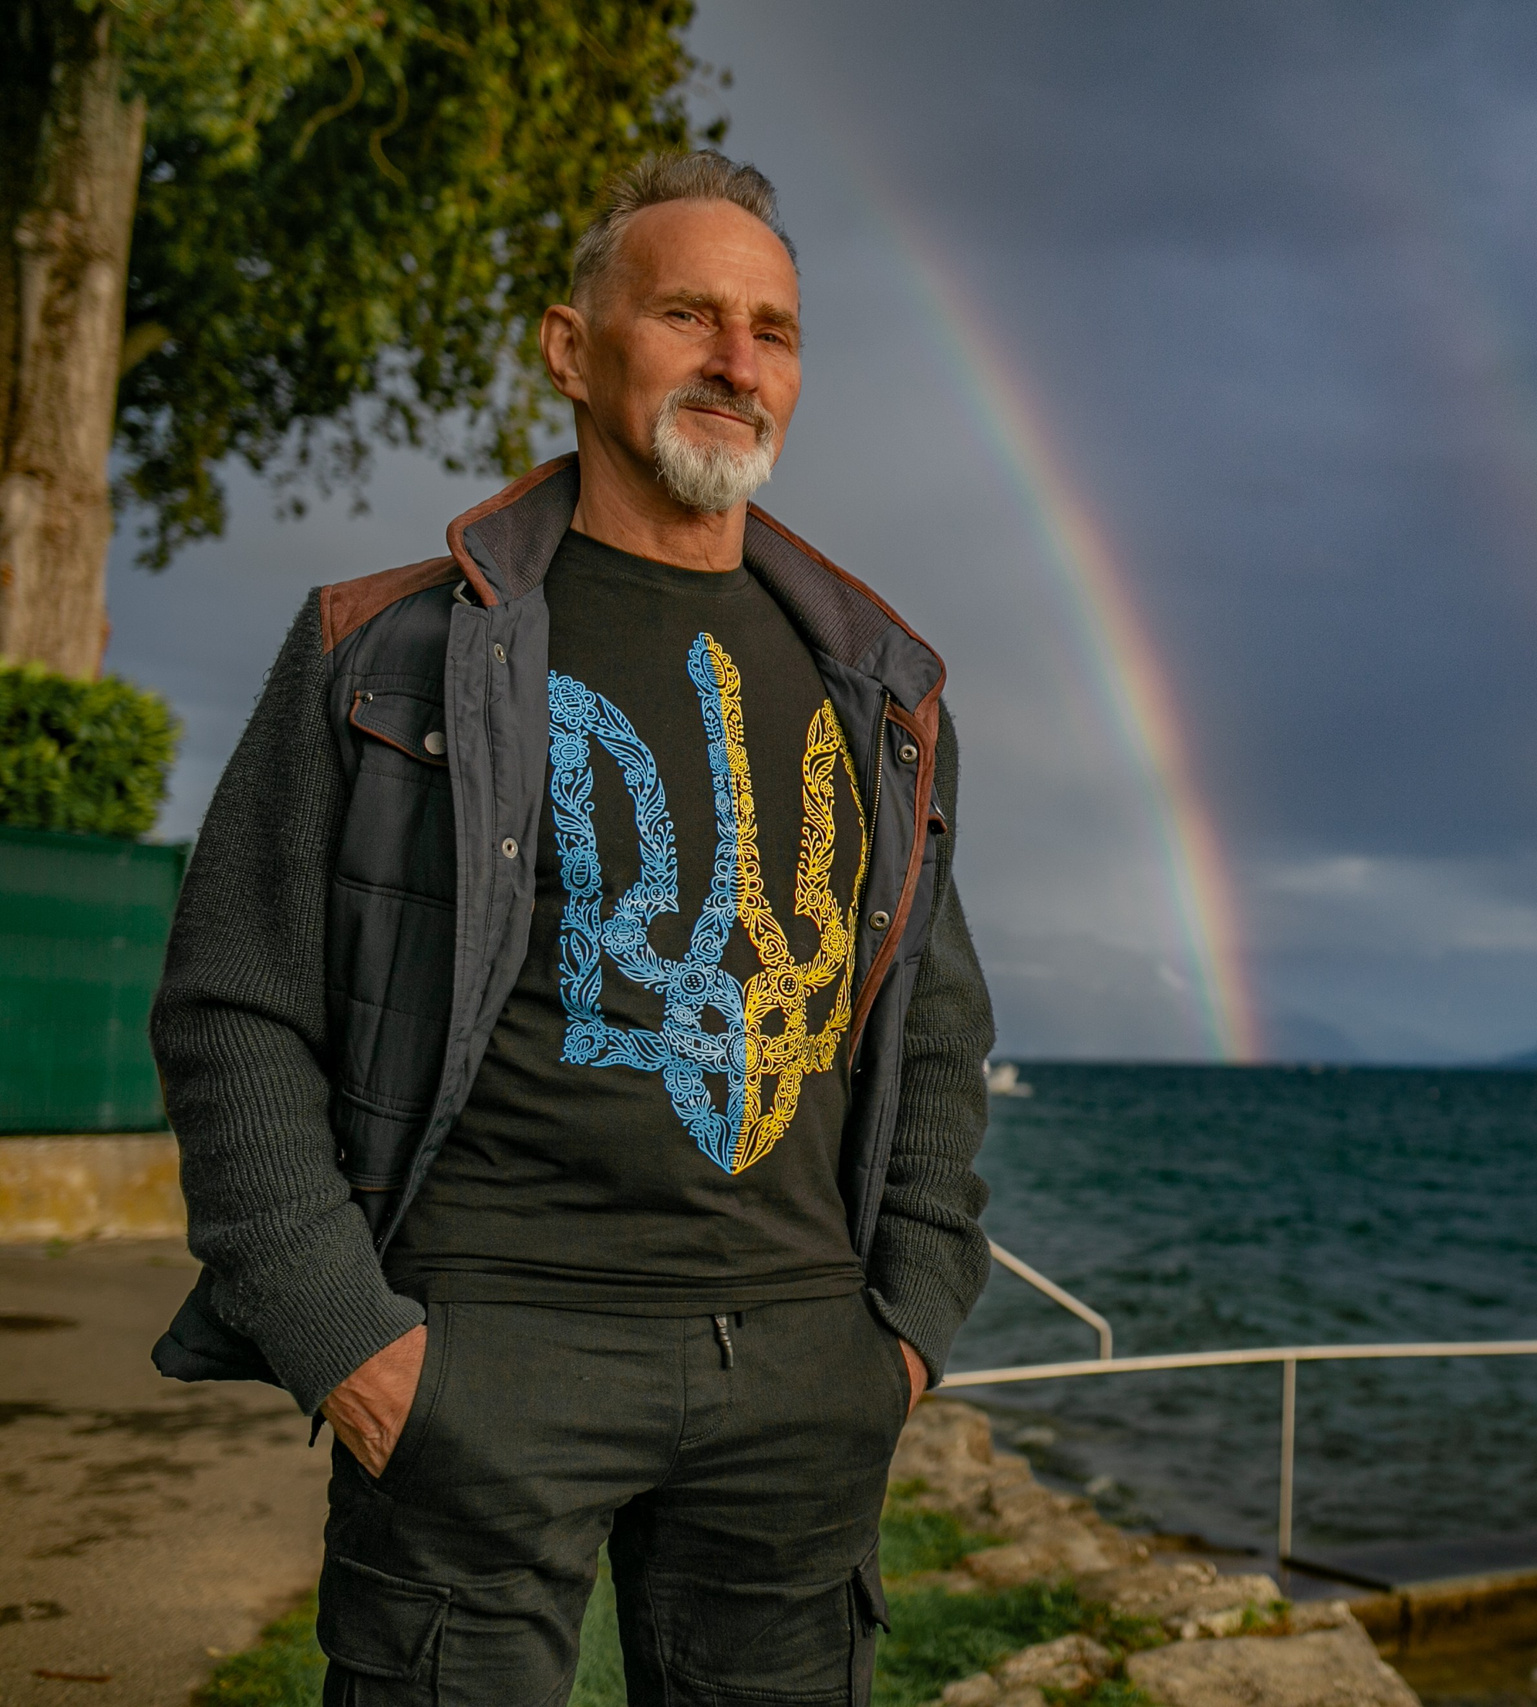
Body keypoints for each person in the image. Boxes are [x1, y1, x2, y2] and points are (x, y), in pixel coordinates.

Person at [147, 151, 995, 1704]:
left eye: (774, 329)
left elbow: (933, 1019)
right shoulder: (390, 648)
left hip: (803, 1370)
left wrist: (906, 1330)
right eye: (688, 313)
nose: (738, 363)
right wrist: (349, 1337)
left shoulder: (886, 692)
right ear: (569, 346)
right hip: (486, 1352)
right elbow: (232, 1004)